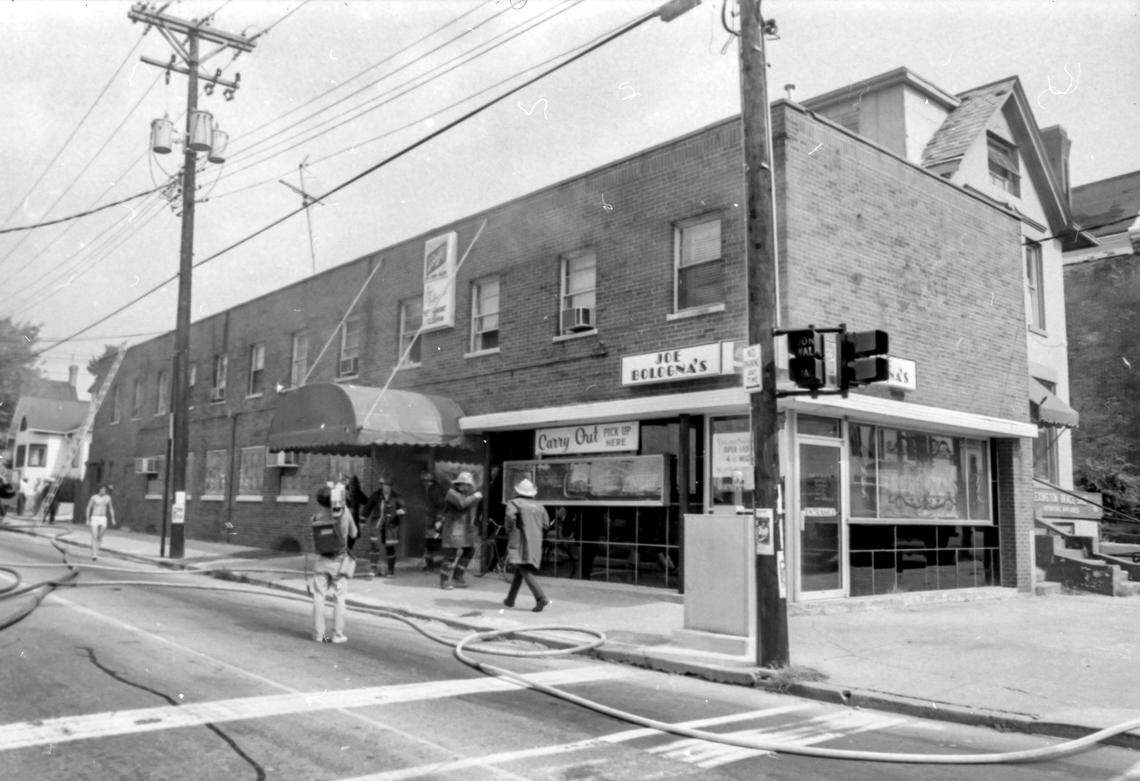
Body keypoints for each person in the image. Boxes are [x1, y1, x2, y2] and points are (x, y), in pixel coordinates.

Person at [308, 484, 358, 644]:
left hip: (322, 563)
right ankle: (337, 634)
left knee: (319, 597)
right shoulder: (345, 513)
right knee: (339, 597)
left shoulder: (316, 517)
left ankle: (319, 635)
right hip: (339, 565)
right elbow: (354, 533)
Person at [502, 478, 551, 612]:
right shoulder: (540, 506)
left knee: (523, 568)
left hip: (519, 540)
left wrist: (510, 530)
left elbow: (510, 519)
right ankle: (510, 600)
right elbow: (546, 524)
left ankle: (540, 597)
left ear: (518, 491)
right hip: (535, 541)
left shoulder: (514, 503)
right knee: (520, 569)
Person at [439, 471, 482, 590]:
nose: (469, 488)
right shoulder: (451, 493)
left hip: (464, 528)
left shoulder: (465, 494)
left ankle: (457, 577)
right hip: (453, 528)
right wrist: (474, 496)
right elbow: (461, 504)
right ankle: (444, 581)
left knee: (470, 550)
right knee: (450, 555)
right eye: (468, 485)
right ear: (461, 484)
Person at [363, 474, 405, 578]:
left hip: (391, 525)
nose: (384, 487)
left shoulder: (396, 496)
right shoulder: (375, 495)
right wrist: (362, 521)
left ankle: (390, 570)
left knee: (390, 546)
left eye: (386, 485)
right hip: (377, 523)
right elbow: (367, 508)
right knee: (375, 545)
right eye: (383, 485)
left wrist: (399, 511)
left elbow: (404, 508)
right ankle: (373, 569)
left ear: (390, 486)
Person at [85, 484, 116, 561]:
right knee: (94, 536)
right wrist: (87, 519)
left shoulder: (108, 498)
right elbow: (89, 507)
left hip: (103, 518)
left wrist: (113, 518)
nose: (103, 491)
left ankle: (97, 552)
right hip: (95, 517)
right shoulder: (94, 497)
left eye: (105, 490)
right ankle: (94, 554)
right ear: (99, 490)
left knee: (100, 536)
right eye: (102, 489)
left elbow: (111, 508)